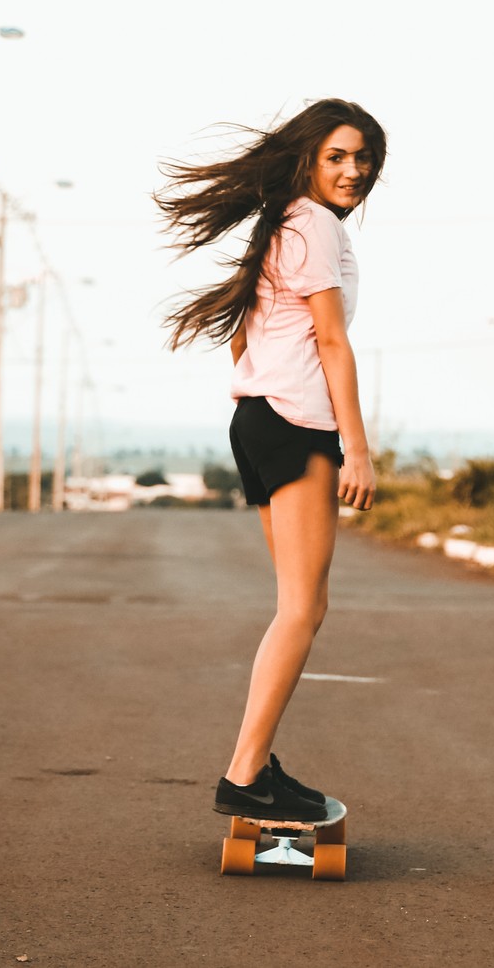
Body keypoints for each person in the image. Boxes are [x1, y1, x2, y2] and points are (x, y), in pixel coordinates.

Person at [158, 98, 387, 822]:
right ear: (309, 160)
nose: (354, 170)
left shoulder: (283, 221)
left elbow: (244, 334)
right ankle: (246, 772)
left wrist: (261, 400)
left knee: (298, 605)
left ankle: (254, 764)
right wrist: (356, 447)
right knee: (301, 609)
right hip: (296, 423)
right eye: (337, 157)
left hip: (258, 419)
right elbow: (329, 342)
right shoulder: (313, 224)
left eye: (363, 157)